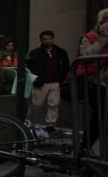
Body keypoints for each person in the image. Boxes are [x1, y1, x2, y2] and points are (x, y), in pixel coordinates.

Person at [25, 31, 70, 129]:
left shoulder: (60, 52)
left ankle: (51, 124)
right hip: (41, 82)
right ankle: (28, 120)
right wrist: (35, 79)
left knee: (54, 103)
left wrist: (62, 78)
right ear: (41, 40)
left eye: (49, 38)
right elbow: (28, 67)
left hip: (55, 82)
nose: (48, 40)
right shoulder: (35, 53)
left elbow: (66, 66)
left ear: (53, 39)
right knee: (36, 104)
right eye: (45, 39)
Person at [77, 8, 108, 150]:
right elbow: (86, 58)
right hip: (94, 83)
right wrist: (102, 40)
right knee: (101, 115)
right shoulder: (89, 37)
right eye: (105, 21)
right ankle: (85, 149)